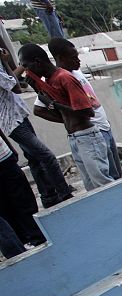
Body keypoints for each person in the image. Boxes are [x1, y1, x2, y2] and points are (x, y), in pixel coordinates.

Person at [18, 43, 115, 192]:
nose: (25, 71)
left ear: (37, 62)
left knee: (103, 184)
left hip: (87, 136)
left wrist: (53, 104)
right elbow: (53, 111)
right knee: (91, 187)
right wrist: (40, 91)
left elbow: (87, 112)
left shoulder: (64, 78)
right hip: (76, 137)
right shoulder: (50, 81)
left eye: (26, 66)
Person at [41, 38, 122, 182]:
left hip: (103, 127)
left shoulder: (75, 73)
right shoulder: (60, 79)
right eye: (73, 58)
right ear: (60, 58)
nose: (78, 61)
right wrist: (69, 119)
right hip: (91, 131)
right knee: (104, 180)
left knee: (115, 176)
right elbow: (40, 108)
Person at [0, 47, 72, 208]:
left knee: (34, 159)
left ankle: (48, 196)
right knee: (47, 156)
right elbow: (16, 87)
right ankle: (64, 193)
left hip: (17, 116)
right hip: (11, 122)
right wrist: (12, 64)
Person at [0, 130, 46, 252]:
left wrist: (10, 148)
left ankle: (37, 237)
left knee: (23, 199)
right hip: (5, 158)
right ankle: (23, 241)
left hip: (5, 158)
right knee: (4, 208)